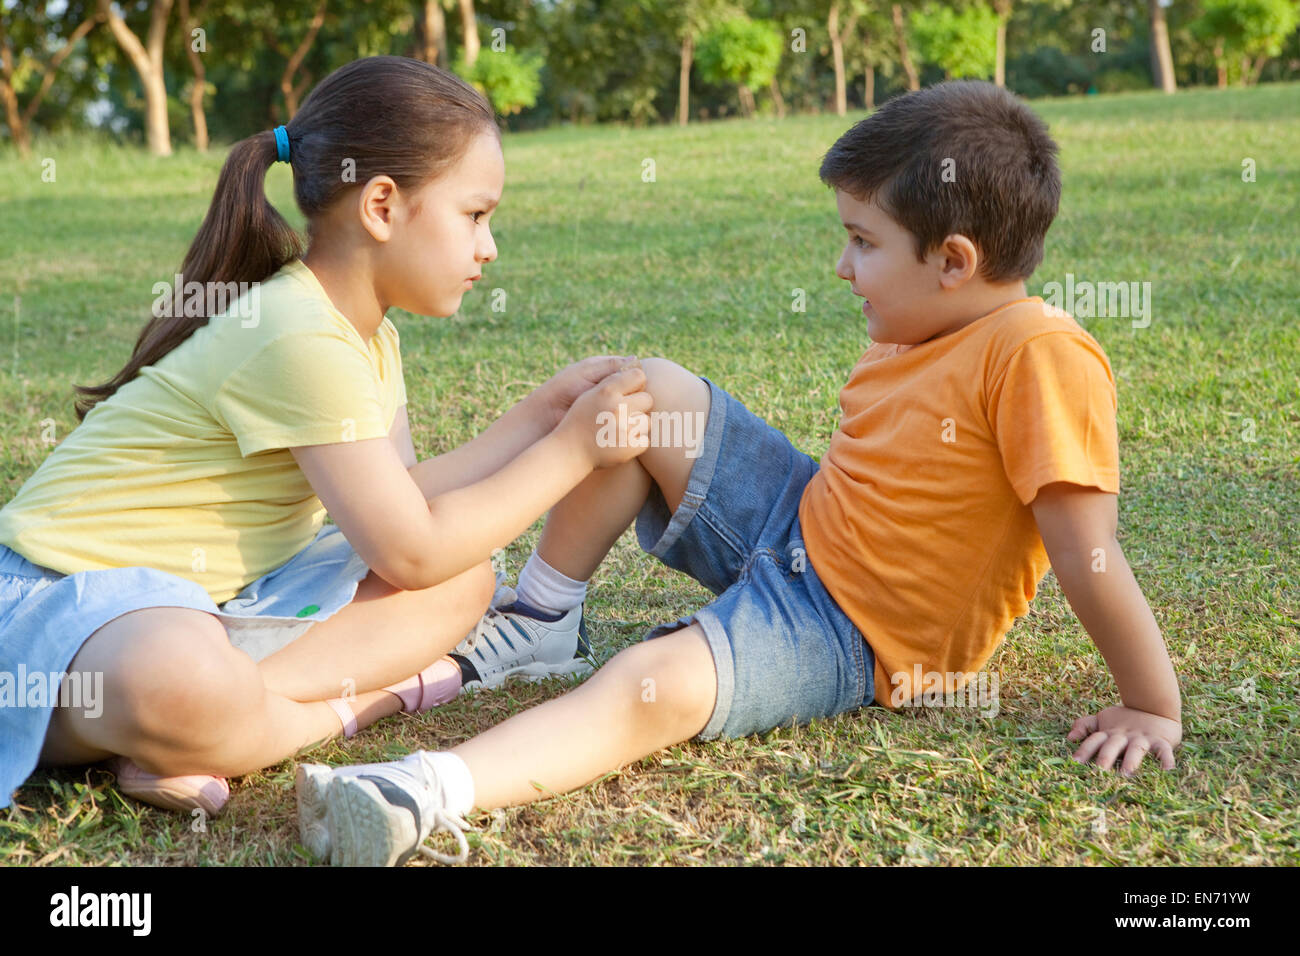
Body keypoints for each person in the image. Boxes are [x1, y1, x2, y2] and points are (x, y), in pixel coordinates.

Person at [297, 79, 1184, 867]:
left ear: (954, 262)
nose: (844, 267)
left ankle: (422, 791)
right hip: (800, 523)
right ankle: (541, 620)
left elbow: (1087, 553)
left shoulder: (1040, 355)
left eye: (863, 242)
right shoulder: (921, 323)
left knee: (659, 685)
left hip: (857, 635)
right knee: (645, 395)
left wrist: (1151, 704)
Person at [0, 56, 652, 817]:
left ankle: (208, 731)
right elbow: (408, 547)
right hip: (60, 604)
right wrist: (571, 449)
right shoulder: (296, 332)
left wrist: (538, 418)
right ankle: (353, 705)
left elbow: (400, 508)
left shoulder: (365, 335)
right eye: (476, 215)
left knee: (467, 580)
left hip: (207, 601)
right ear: (382, 206)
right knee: (180, 676)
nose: (489, 248)